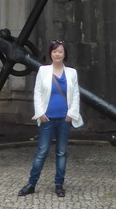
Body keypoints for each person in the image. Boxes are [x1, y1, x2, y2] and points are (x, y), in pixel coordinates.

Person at [18, 39, 83, 198]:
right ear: (50, 54)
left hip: (64, 118)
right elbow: (37, 93)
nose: (57, 54)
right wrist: (40, 113)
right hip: (48, 118)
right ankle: (32, 184)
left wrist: (71, 114)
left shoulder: (71, 73)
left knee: (61, 152)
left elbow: (75, 94)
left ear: (64, 54)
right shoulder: (43, 71)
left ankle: (59, 184)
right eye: (55, 51)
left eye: (60, 51)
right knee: (42, 151)